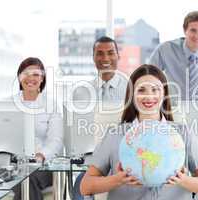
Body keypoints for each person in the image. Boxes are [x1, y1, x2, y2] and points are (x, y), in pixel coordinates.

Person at [80, 64, 198, 200]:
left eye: (155, 90)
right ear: (132, 95)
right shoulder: (115, 134)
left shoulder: (183, 133)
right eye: (141, 90)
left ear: (164, 94)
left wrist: (183, 180)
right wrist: (117, 180)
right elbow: (86, 186)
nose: (149, 96)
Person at [72, 36, 128, 199]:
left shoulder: (131, 89)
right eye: (100, 53)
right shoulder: (81, 92)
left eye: (111, 53)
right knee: (80, 188)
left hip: (122, 162)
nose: (105, 58)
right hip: (91, 161)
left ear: (118, 56)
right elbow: (76, 133)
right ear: (93, 57)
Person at [12, 57, 63, 200]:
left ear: (42, 79)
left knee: (26, 180)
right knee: (20, 177)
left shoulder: (51, 105)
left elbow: (56, 140)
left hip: (42, 165)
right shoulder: (7, 104)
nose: (30, 78)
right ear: (19, 77)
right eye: (26, 73)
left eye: (35, 74)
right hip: (12, 163)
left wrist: (41, 156)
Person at [148, 11, 198, 100]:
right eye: (193, 30)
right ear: (185, 30)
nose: (197, 36)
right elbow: (148, 76)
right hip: (175, 108)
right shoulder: (165, 50)